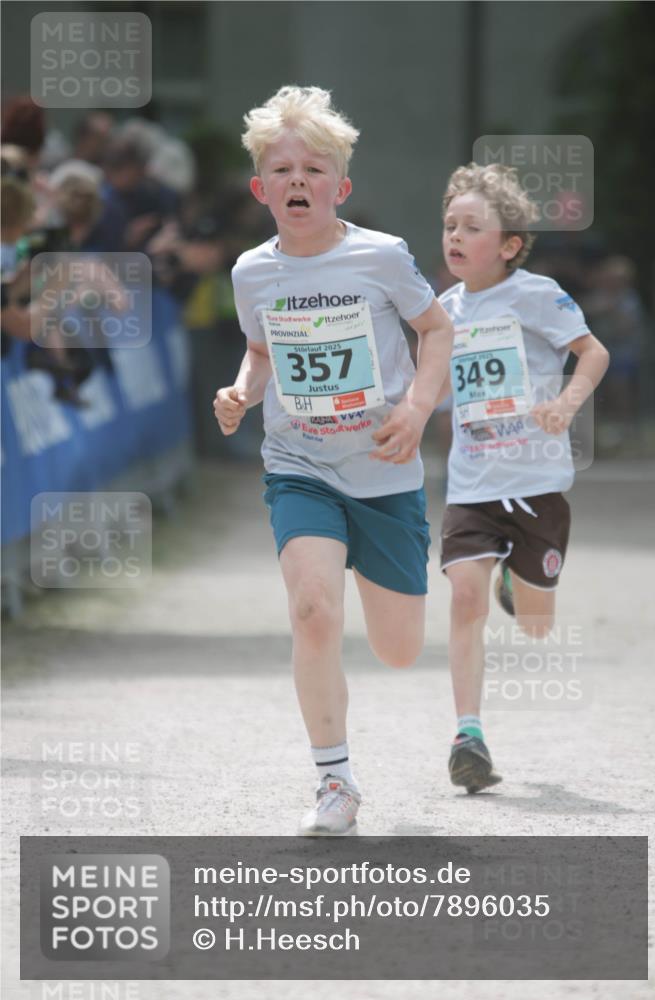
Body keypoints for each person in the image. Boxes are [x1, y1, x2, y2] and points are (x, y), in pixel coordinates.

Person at [213, 86, 453, 835]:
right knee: (313, 609)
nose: (297, 182)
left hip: (383, 470)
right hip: (299, 464)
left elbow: (437, 330)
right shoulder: (252, 272)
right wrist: (243, 392)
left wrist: (415, 408)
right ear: (261, 188)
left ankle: (389, 570)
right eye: (281, 169)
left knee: (400, 648)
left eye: (314, 169)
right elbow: (260, 349)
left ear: (339, 187)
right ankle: (335, 782)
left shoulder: (380, 257)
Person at [438, 163, 609, 793]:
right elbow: (429, 386)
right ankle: (468, 734)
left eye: (471, 227)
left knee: (536, 622)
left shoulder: (536, 294)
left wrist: (566, 403)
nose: (454, 236)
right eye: (449, 225)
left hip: (536, 483)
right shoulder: (441, 313)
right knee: (463, 597)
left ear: (508, 245)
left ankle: (520, 577)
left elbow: (594, 351)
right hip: (473, 487)